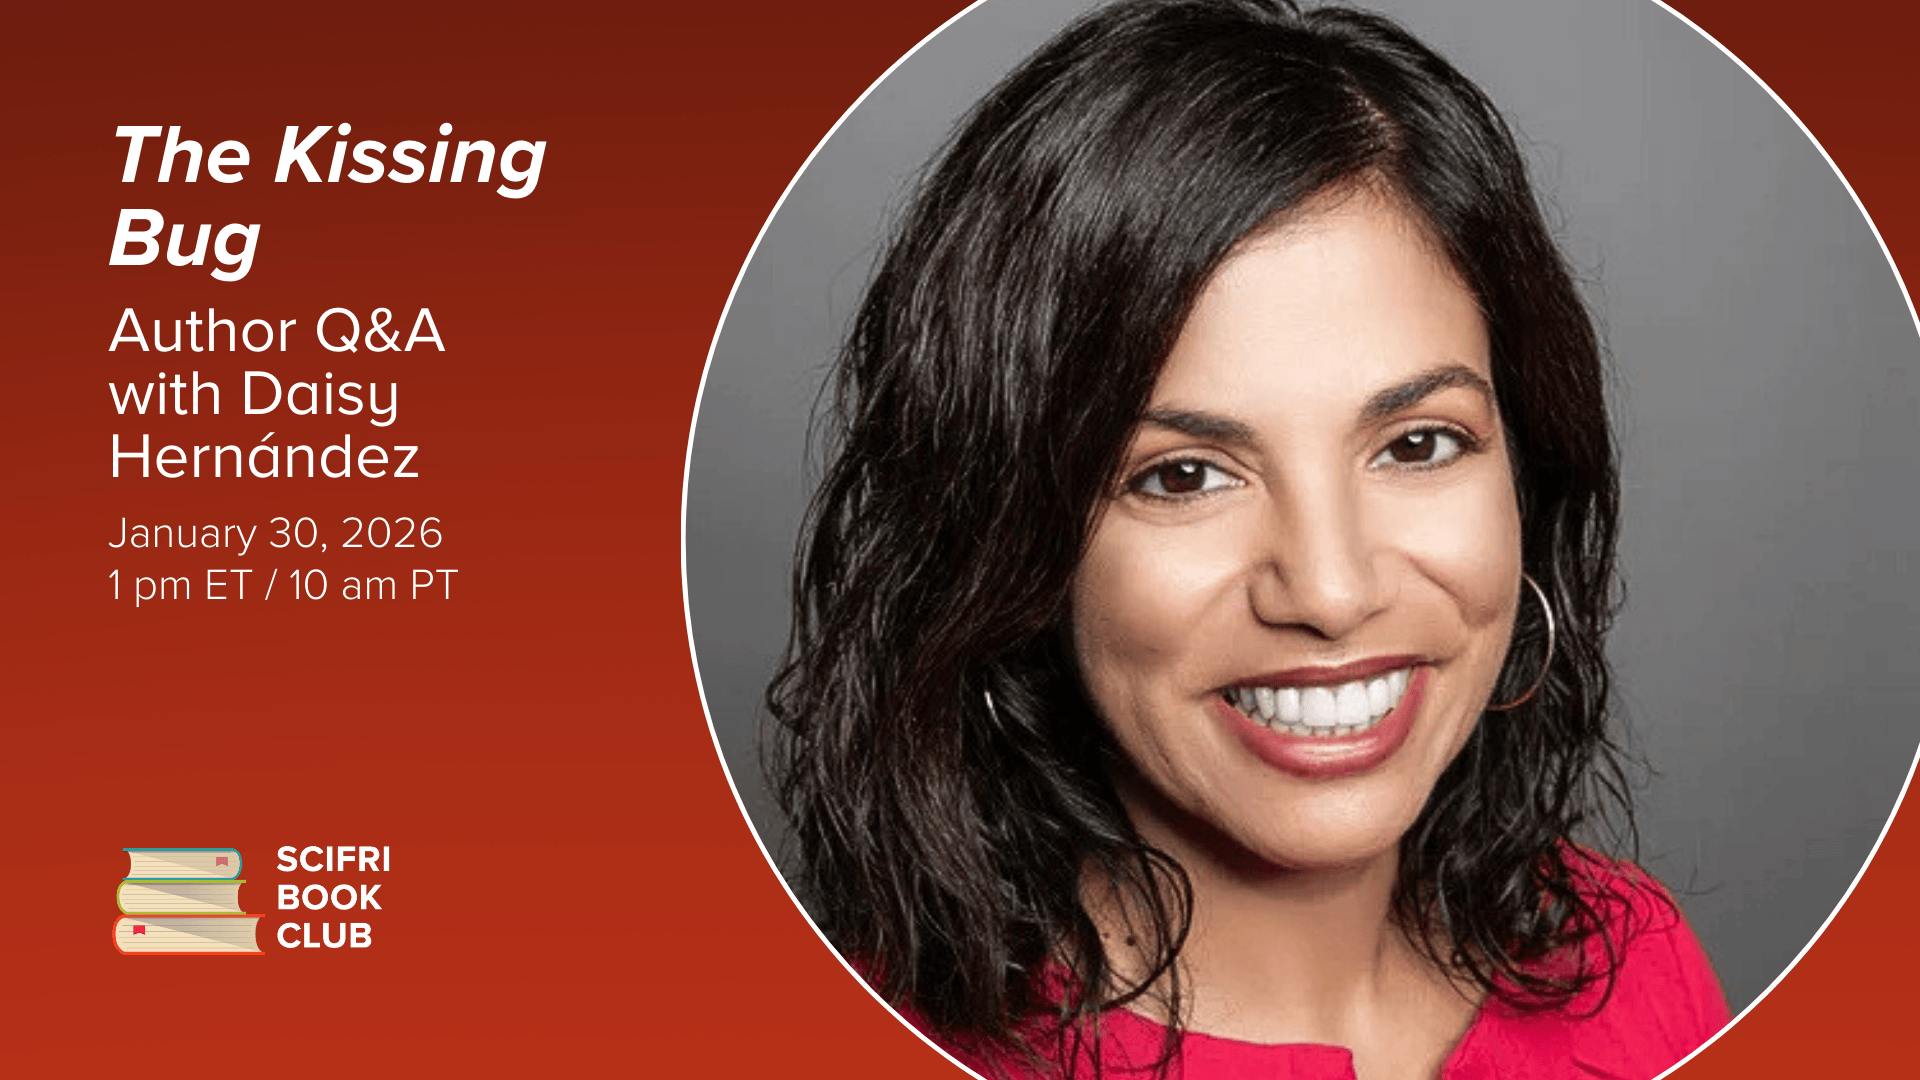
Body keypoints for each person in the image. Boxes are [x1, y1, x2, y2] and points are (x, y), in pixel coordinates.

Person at [766, 1, 1730, 1076]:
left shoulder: (1636, 964)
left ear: (1526, 468)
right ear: (1014, 547)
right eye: (1183, 476)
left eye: (1417, 444)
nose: (1329, 588)